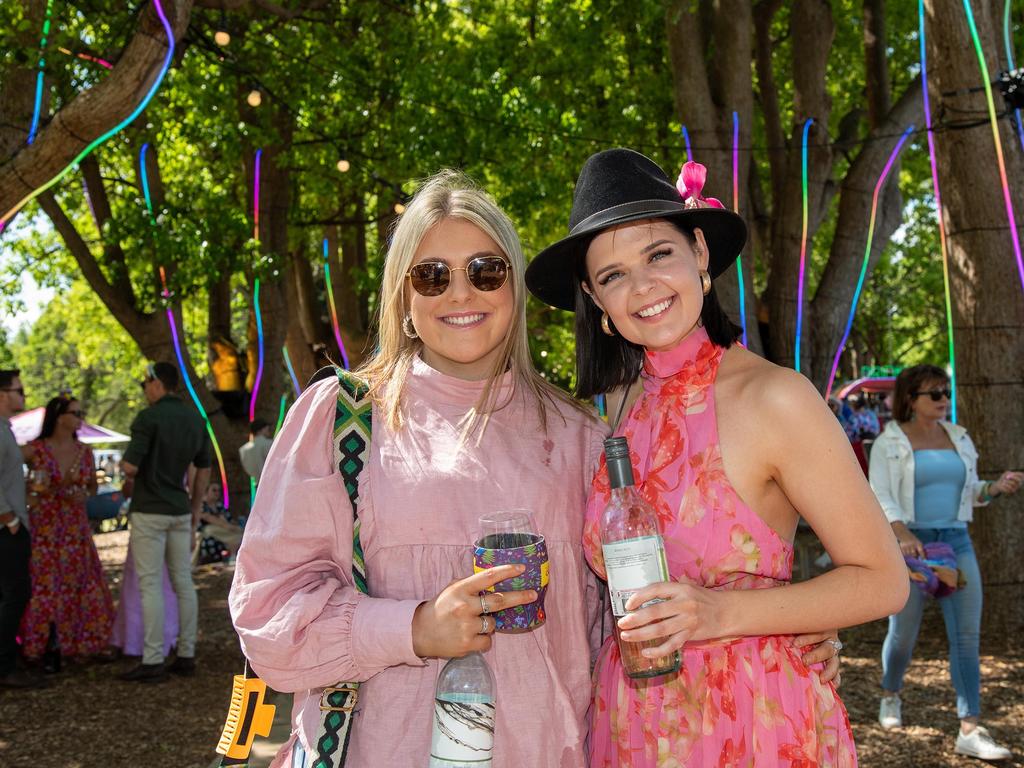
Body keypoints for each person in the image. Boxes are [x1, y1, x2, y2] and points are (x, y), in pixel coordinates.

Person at [229, 171, 841, 768]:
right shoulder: (342, 420)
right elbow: (268, 621)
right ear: (403, 297)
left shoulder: (581, 435)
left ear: (515, 289)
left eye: (485, 271)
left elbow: (632, 605)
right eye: (432, 276)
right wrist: (412, 628)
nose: (461, 293)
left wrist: (784, 625)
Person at [525, 149, 907, 766]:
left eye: (658, 254)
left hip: (755, 721)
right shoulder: (609, 414)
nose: (643, 286)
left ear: (700, 254)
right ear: (597, 302)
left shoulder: (775, 398)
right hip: (630, 720)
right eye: (613, 275)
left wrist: (731, 613)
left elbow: (883, 580)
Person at [869, 364, 1023, 761]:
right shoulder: (890, 441)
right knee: (903, 633)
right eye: (934, 394)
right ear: (910, 399)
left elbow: (970, 492)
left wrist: (995, 488)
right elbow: (878, 493)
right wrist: (901, 532)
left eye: (945, 392)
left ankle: (969, 727)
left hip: (956, 543)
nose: (943, 400)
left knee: (968, 638)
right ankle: (891, 693)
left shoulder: (959, 438)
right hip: (910, 547)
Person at [119, 361, 210, 683]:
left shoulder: (149, 417)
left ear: (156, 383)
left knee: (151, 584)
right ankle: (186, 654)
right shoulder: (194, 419)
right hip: (180, 510)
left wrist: (126, 465)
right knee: (183, 582)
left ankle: (153, 657)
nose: (144, 390)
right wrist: (195, 508)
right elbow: (204, 467)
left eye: (145, 384)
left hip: (150, 510)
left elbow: (130, 467)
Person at [20, 395, 115, 670]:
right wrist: (28, 492)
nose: (80, 418)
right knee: (43, 586)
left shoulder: (84, 452)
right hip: (45, 528)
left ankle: (79, 645)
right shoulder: (34, 449)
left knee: (78, 583)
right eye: (76, 412)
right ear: (59, 416)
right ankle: (39, 646)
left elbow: (93, 490)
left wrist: (81, 493)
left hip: (74, 528)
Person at [0, 369, 39, 688]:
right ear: (2, 394)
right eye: (19, 390)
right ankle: (4, 667)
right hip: (6, 528)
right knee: (15, 594)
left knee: (14, 594)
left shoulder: (6, 429)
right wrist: (9, 519)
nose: (23, 396)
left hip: (13, 521)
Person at [195, 481, 243, 564]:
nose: (217, 493)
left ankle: (233, 554)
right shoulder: (202, 505)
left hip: (223, 530)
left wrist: (236, 526)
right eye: (214, 490)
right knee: (210, 529)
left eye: (218, 490)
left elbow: (230, 520)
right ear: (207, 492)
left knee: (240, 531)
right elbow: (208, 518)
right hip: (207, 533)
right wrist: (228, 526)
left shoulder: (220, 506)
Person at [238, 418, 273, 483]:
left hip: (257, 483)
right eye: (266, 428)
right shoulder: (270, 443)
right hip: (271, 481)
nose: (269, 430)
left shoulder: (243, 449)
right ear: (259, 431)